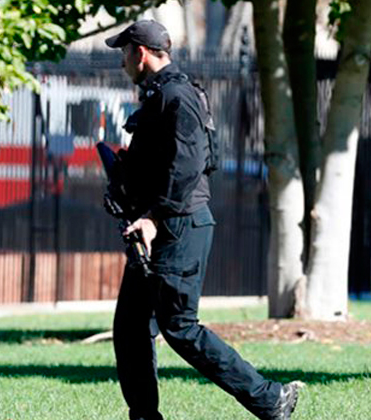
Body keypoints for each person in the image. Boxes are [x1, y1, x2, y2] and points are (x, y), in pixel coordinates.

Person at [105, 20, 304, 420]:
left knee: (180, 328)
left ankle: (270, 399)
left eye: (125, 52)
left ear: (140, 53)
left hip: (178, 228)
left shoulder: (178, 96)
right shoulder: (160, 95)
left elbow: (188, 166)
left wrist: (154, 217)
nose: (122, 60)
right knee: (130, 327)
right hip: (154, 226)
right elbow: (165, 162)